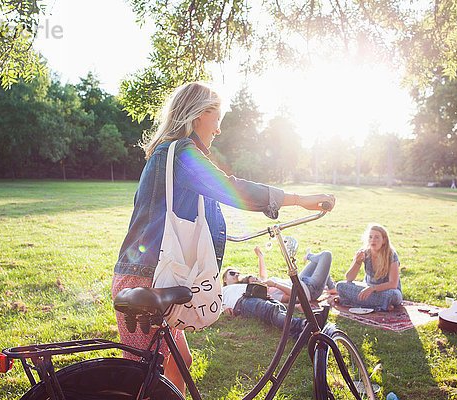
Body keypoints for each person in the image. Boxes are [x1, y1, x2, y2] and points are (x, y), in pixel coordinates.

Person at [111, 81, 336, 395]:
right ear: (199, 115)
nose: (218, 130)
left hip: (149, 273)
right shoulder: (181, 154)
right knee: (150, 379)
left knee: (180, 363)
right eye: (217, 118)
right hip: (146, 277)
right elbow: (232, 189)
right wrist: (299, 199)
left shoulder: (169, 154)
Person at [335, 223, 402, 311]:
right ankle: (382, 306)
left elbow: (393, 284)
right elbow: (349, 278)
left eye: (377, 237)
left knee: (391, 296)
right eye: (370, 237)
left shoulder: (391, 255)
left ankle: (354, 302)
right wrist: (357, 262)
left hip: (387, 291)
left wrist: (372, 288)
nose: (373, 240)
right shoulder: (364, 252)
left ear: (384, 240)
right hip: (367, 288)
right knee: (340, 286)